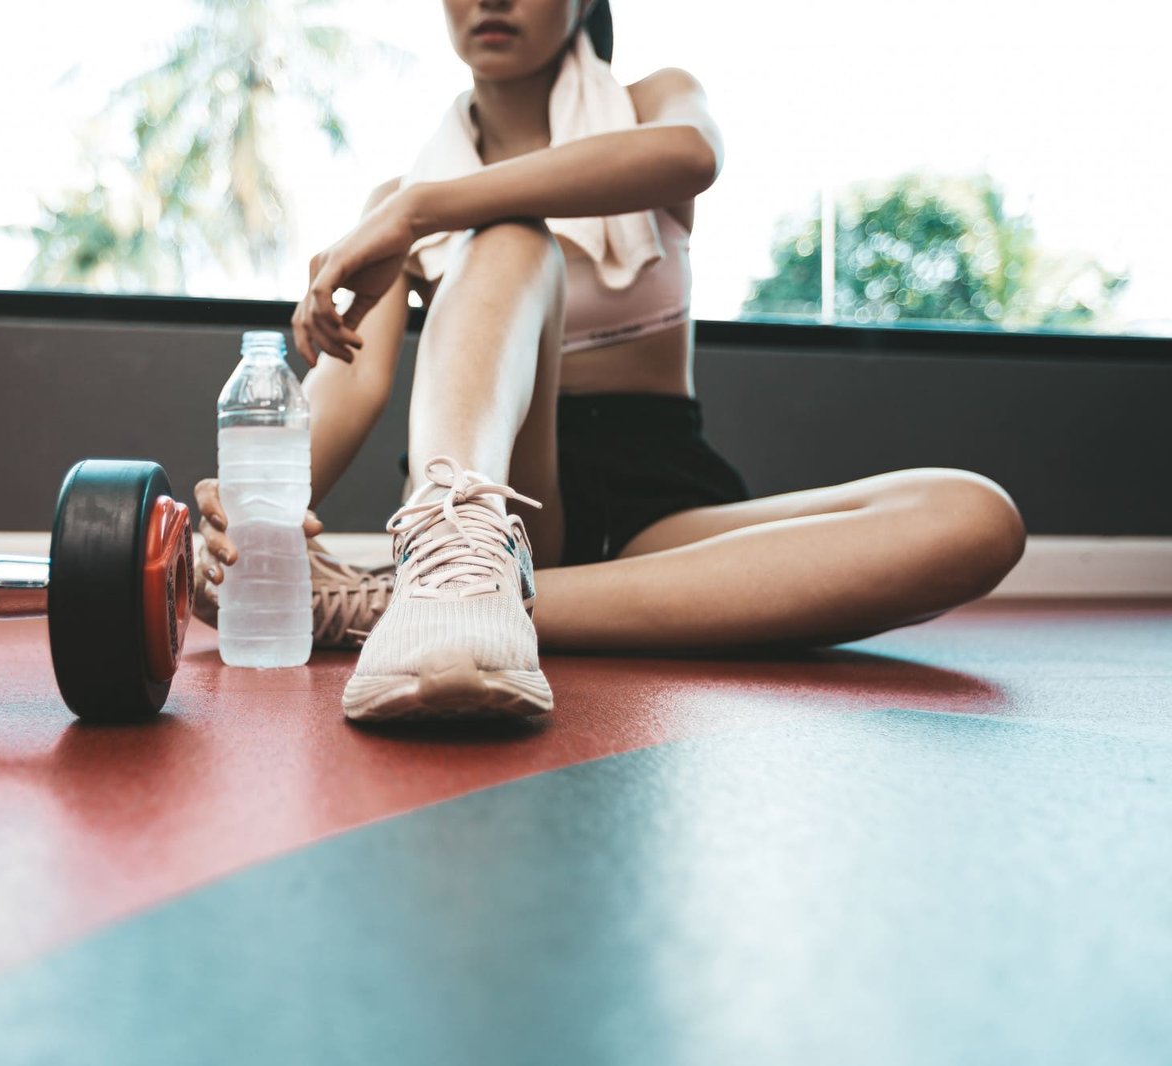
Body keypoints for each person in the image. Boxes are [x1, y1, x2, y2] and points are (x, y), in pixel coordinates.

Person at [195, 0, 1026, 723]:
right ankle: (463, 564)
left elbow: (690, 156)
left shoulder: (649, 106)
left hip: (660, 505)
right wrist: (244, 521)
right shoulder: (396, 207)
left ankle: (398, 602)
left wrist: (422, 209)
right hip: (499, 492)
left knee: (974, 517)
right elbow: (349, 378)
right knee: (513, 241)